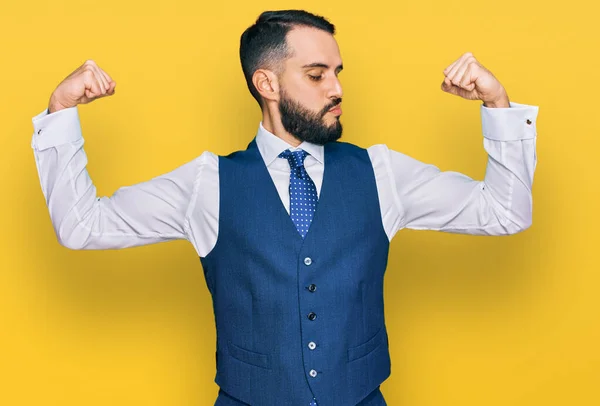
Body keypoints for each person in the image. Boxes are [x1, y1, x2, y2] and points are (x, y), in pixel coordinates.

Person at [30, 9, 539, 406]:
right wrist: (60, 113)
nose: (338, 89)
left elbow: (504, 213)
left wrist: (498, 106)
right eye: (317, 75)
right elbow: (83, 225)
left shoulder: (383, 174)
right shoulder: (207, 183)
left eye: (338, 72)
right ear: (266, 84)